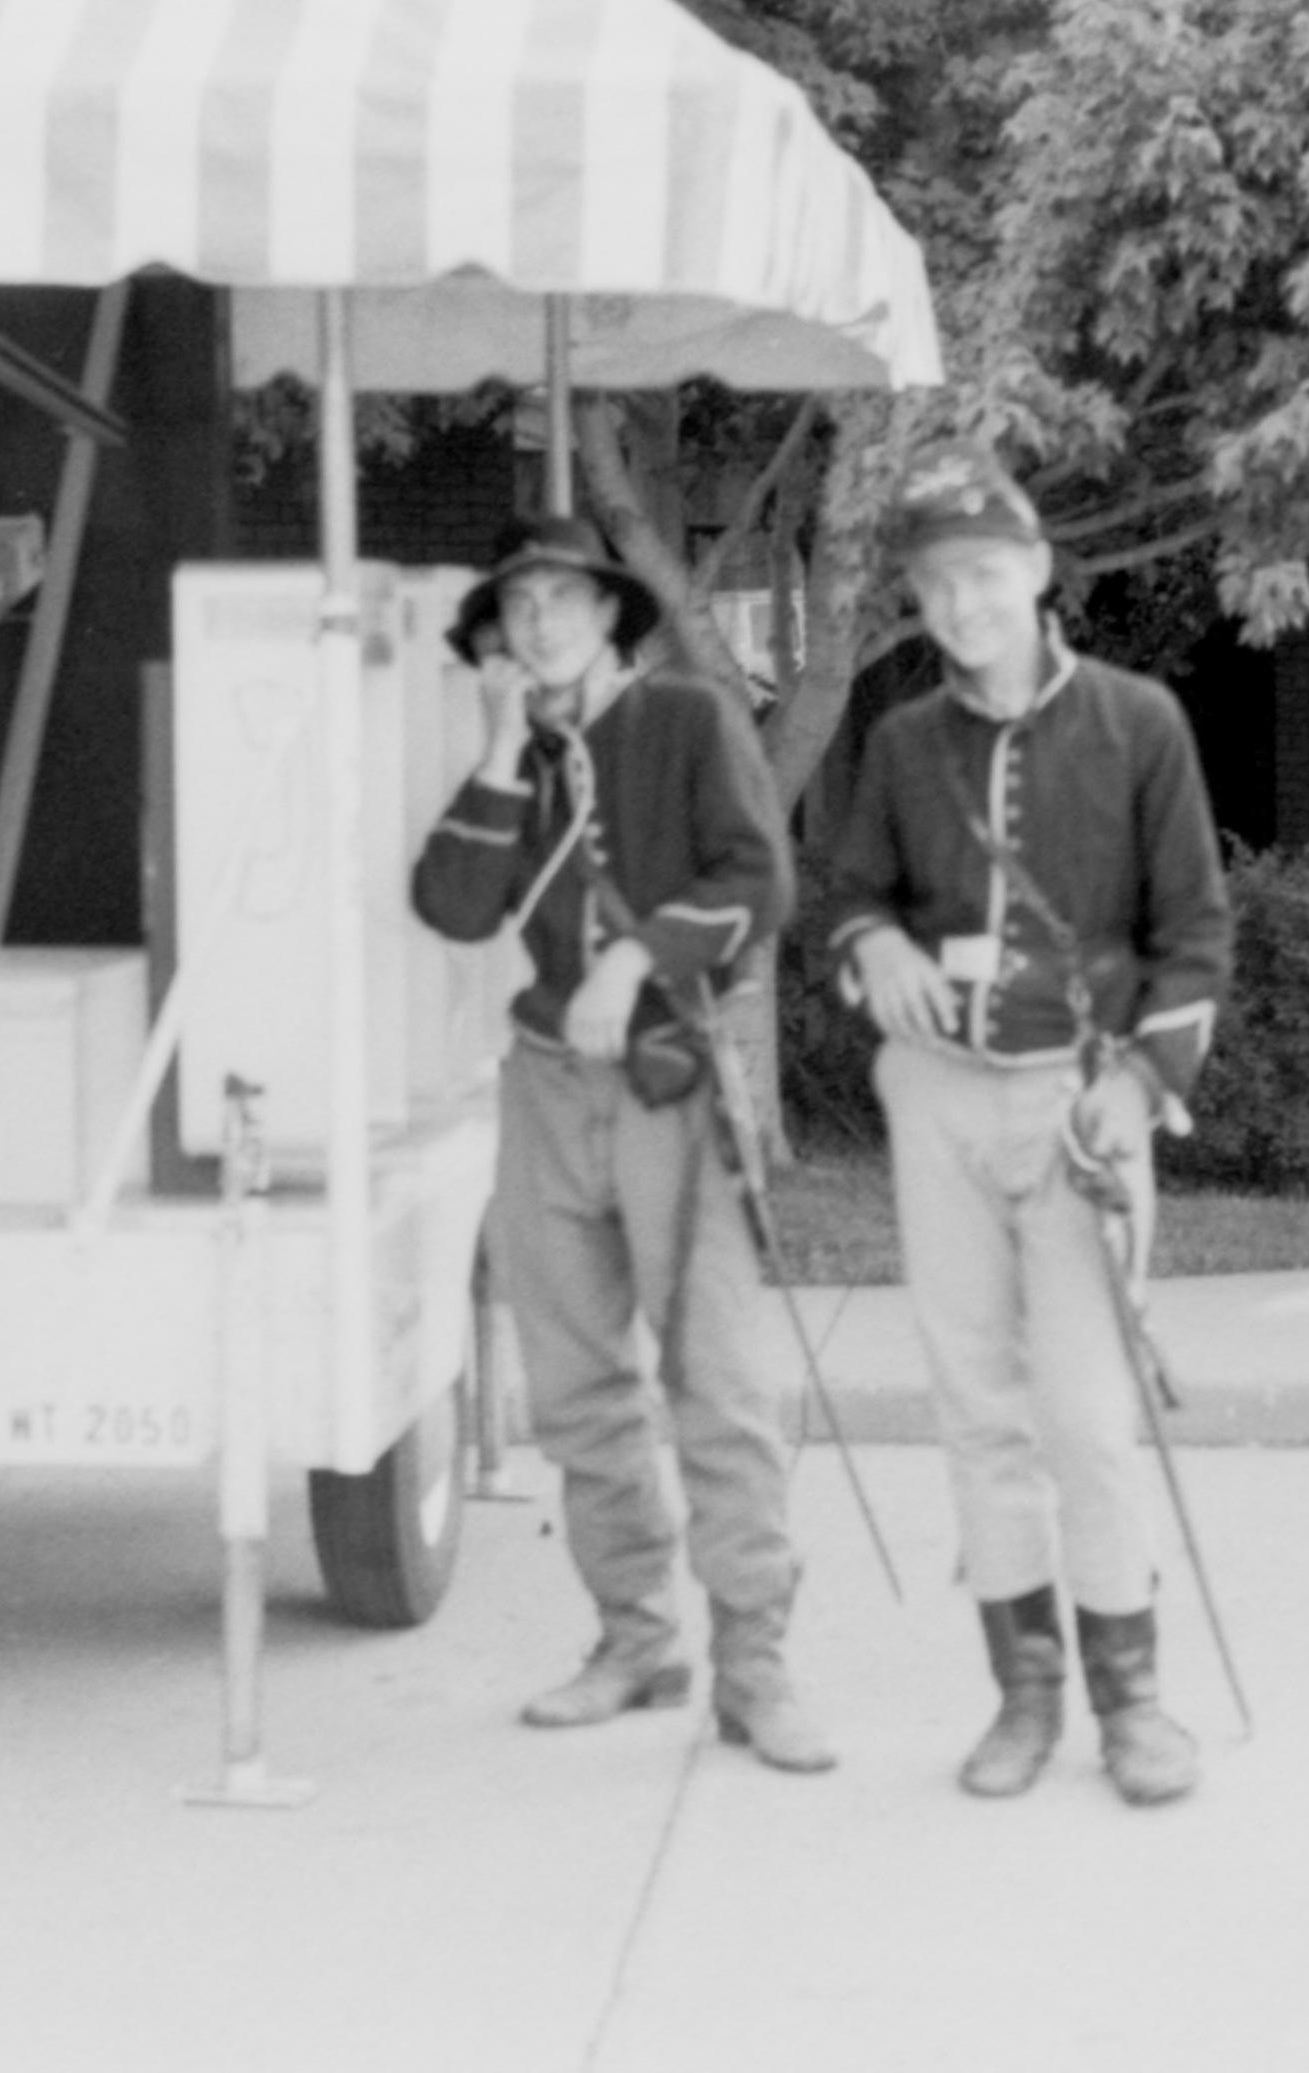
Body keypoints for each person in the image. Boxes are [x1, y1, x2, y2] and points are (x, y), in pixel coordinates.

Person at [824, 437, 1234, 1806]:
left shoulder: (1139, 723)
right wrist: (870, 940)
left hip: (1082, 1103)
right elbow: (847, 893)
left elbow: (1194, 938)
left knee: (1088, 1414)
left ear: (1039, 574)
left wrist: (1140, 1083)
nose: (962, 606)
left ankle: (1134, 1702)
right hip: (937, 1102)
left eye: (986, 574)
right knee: (974, 1407)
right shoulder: (898, 743)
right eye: (938, 584)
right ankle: (1024, 1699)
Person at [411, 514, 829, 1772]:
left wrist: (642, 955)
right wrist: (494, 751)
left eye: (558, 599)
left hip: (663, 1080)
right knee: (578, 1386)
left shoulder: (685, 722)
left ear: (605, 613)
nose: (536, 623)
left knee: (718, 1385)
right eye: (515, 606)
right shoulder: (516, 756)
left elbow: (758, 880)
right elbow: (449, 903)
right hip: (543, 1089)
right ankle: (634, 1637)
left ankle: (754, 1666)